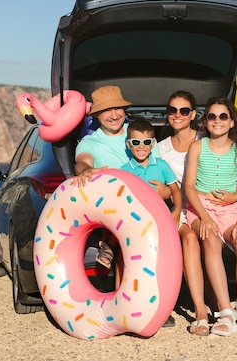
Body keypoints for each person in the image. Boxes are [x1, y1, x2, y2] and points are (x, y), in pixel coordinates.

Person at [73, 85, 175, 327]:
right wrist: (87, 172)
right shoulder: (91, 142)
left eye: (118, 107)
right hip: (115, 213)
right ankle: (127, 308)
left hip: (149, 208)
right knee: (128, 246)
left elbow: (159, 166)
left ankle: (157, 306)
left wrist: (168, 191)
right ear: (96, 115)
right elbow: (82, 162)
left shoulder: (140, 133)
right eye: (107, 110)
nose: (114, 114)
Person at [157, 91, 237, 336]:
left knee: (205, 239)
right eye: (172, 110)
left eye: (184, 111)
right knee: (191, 239)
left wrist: (235, 195)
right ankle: (201, 311)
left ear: (193, 115)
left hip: (209, 207)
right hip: (177, 209)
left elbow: (231, 172)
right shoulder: (160, 150)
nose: (177, 115)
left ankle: (217, 306)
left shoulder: (208, 138)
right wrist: (163, 191)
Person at [183, 96, 237, 337]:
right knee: (211, 242)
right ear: (206, 121)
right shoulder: (197, 147)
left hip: (229, 211)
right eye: (212, 116)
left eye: (223, 116)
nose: (217, 121)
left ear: (232, 122)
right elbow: (189, 187)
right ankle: (224, 311)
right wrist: (204, 217)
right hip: (199, 207)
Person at [120, 119, 182, 226]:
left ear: (153, 144)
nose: (141, 147)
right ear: (128, 144)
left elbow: (176, 191)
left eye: (146, 142)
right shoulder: (124, 171)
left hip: (161, 217)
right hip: (135, 221)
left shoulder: (162, 165)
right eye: (136, 142)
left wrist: (177, 212)